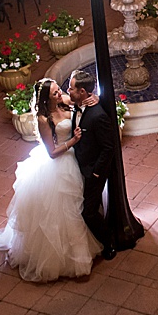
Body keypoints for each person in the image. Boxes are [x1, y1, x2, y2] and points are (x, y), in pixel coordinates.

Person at [0, 78, 101, 282]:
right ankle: (68, 259)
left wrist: (93, 99)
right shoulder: (44, 120)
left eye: (58, 90)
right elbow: (52, 152)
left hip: (74, 158)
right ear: (46, 99)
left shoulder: (64, 100)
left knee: (79, 205)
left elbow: (82, 100)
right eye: (54, 93)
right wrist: (72, 141)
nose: (59, 93)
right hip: (61, 161)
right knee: (63, 211)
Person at [67, 69, 119, 260]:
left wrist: (96, 173)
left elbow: (108, 147)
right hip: (77, 165)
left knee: (88, 212)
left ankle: (109, 242)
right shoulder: (78, 105)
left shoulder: (97, 116)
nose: (68, 91)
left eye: (71, 88)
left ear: (82, 91)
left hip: (93, 172)